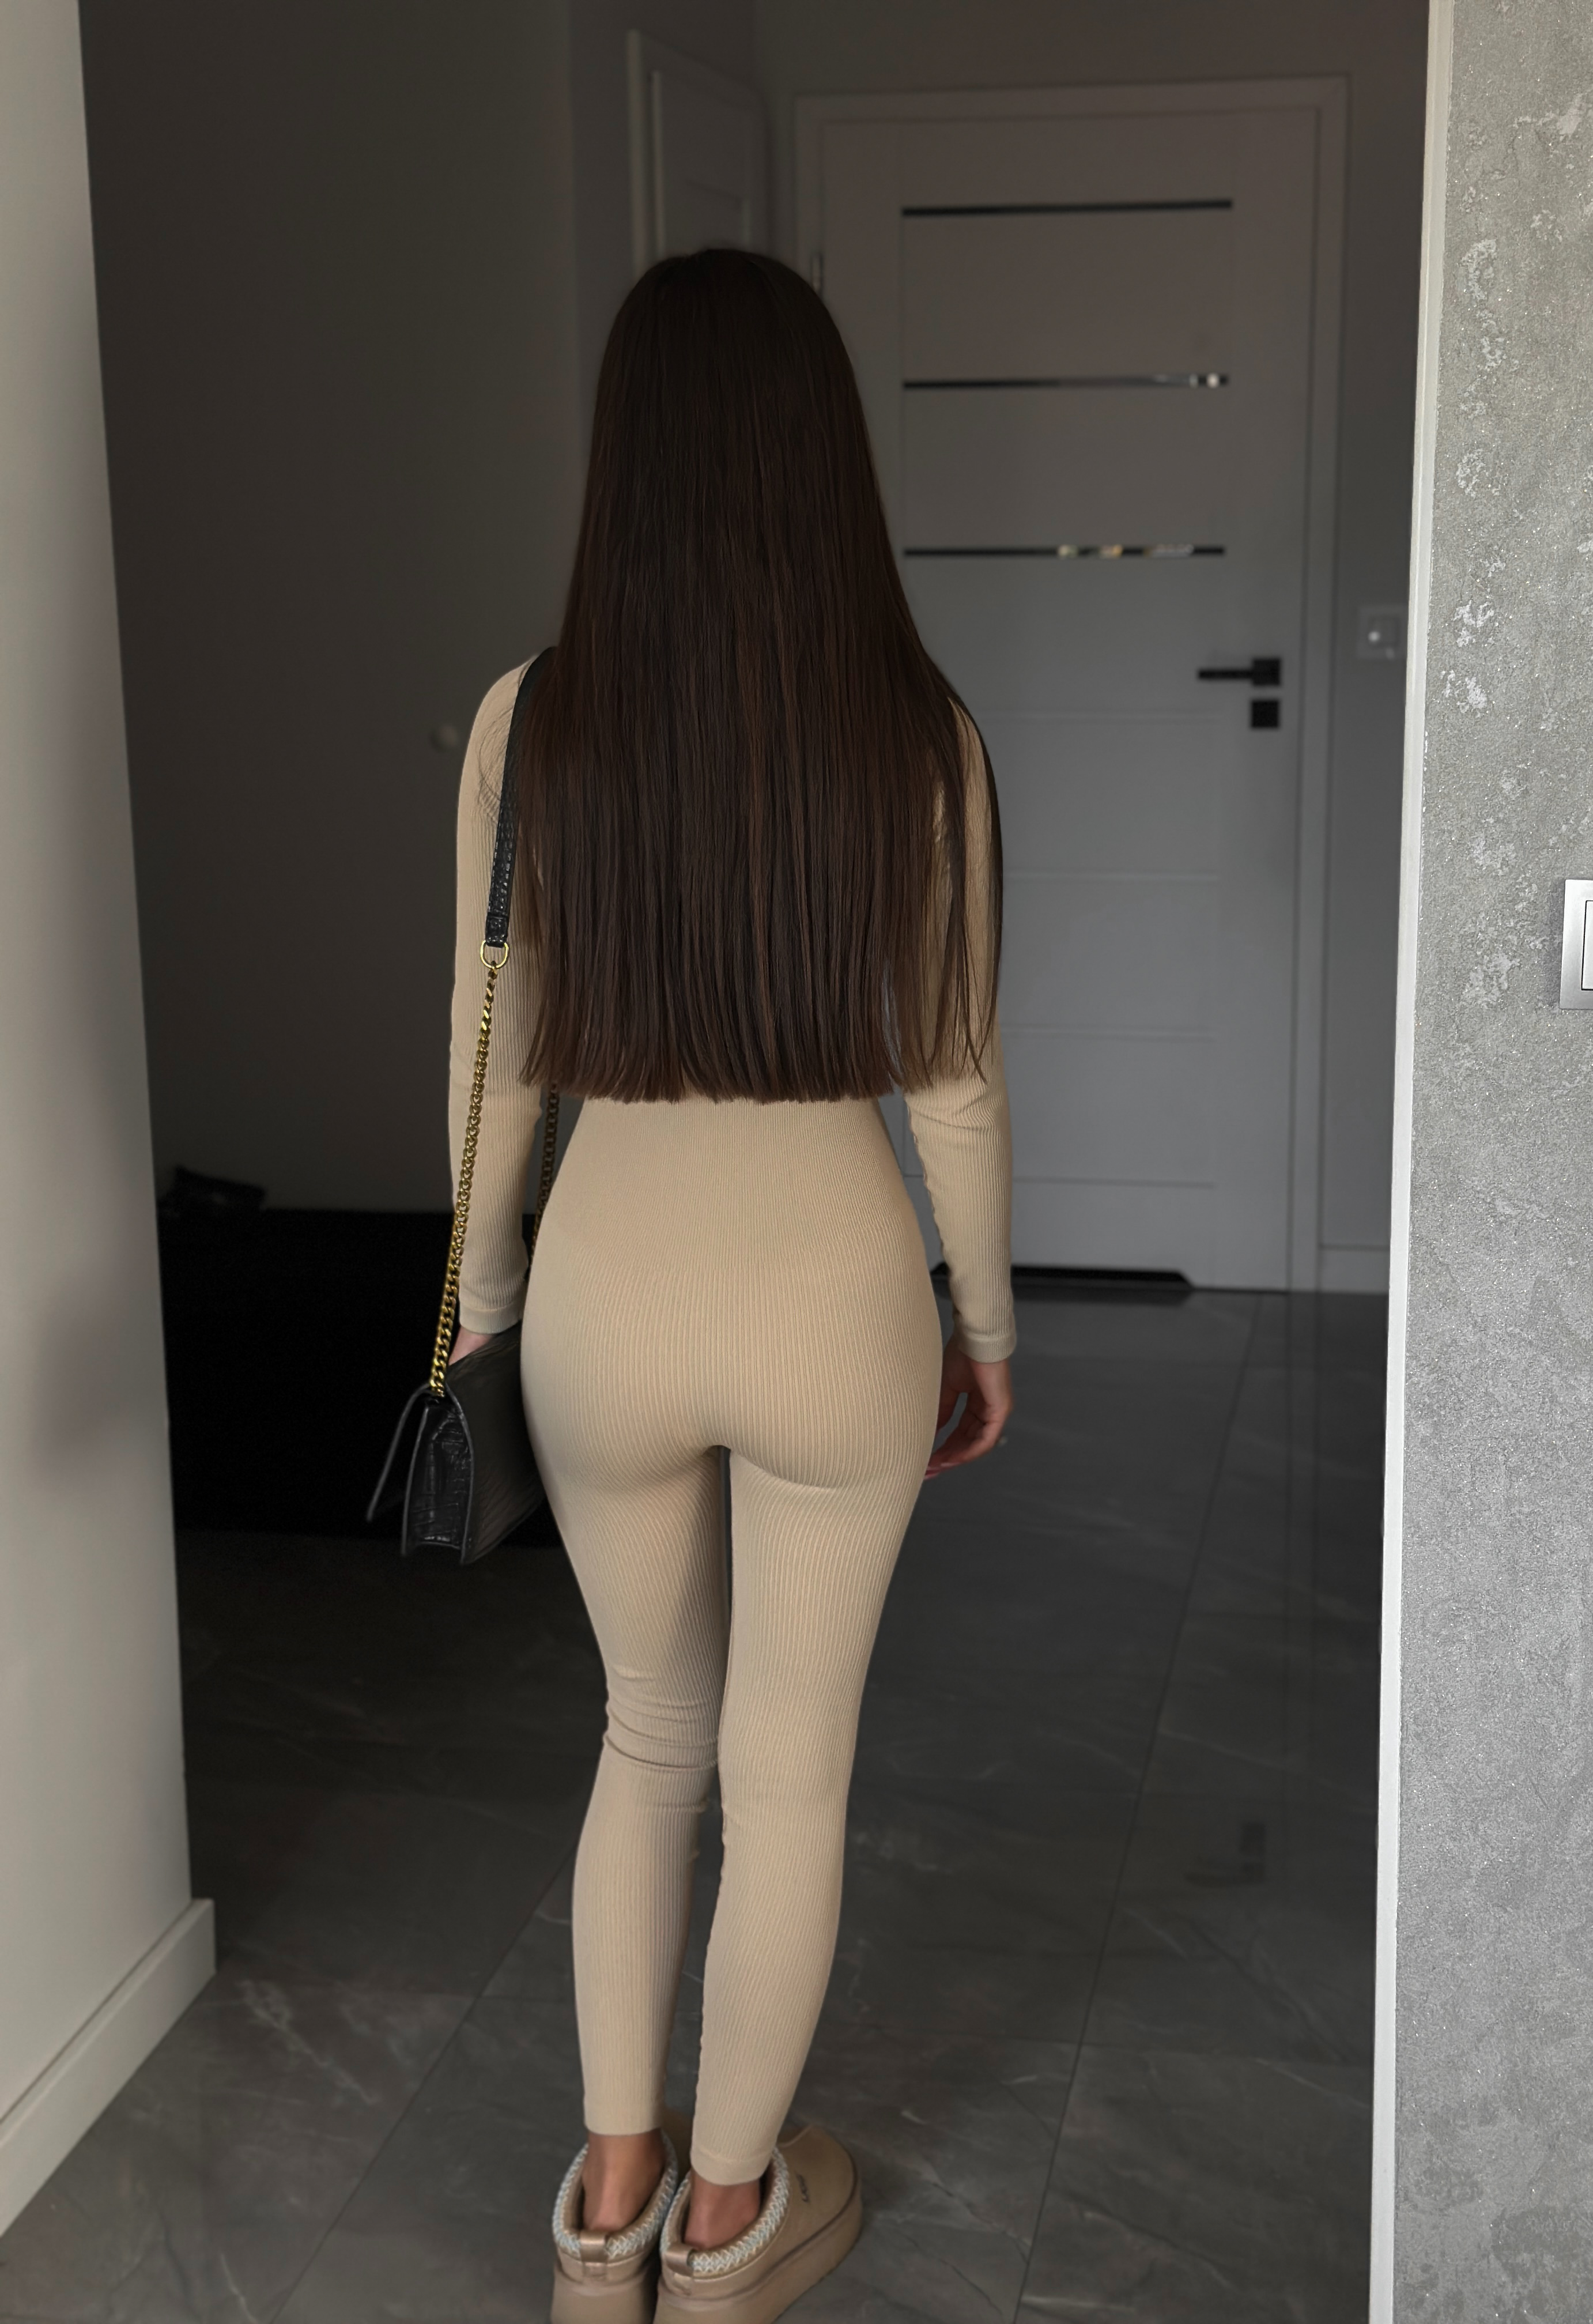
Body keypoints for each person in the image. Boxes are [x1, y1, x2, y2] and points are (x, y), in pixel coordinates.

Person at [442, 248, 1014, 2324]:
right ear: (821, 458)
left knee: (646, 1737)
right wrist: (987, 1330)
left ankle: (604, 2210)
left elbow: (495, 1059)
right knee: (789, 1778)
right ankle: (729, 2218)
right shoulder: (918, 730)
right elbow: (952, 1076)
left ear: (627, 462)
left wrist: (481, 1299)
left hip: (607, 1290)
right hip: (837, 1293)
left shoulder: (532, 721)